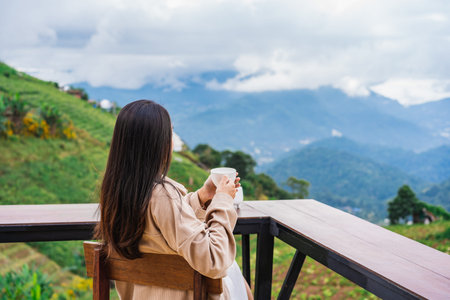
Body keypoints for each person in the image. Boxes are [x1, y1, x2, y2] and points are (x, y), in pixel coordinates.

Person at [94, 100, 253, 299]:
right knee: (233, 269)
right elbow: (214, 259)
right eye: (170, 133)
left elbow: (161, 225)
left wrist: (202, 196)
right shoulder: (161, 194)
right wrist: (222, 201)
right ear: (157, 144)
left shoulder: (117, 192)